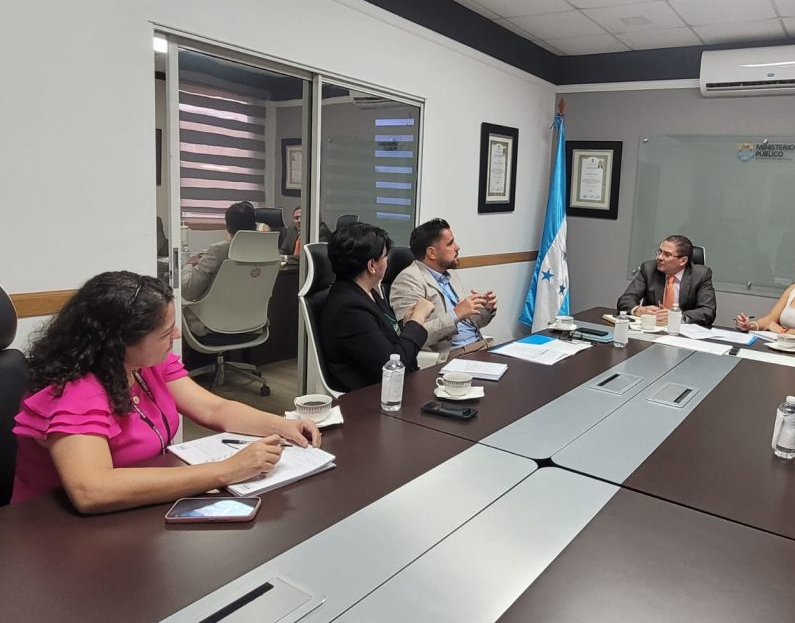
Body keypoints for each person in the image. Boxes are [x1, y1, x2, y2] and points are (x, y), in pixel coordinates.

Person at [11, 272, 320, 513]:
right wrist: (227, 470)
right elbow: (92, 490)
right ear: (119, 343)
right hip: (54, 533)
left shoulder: (145, 364)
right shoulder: (73, 391)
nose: (177, 334)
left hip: (134, 508)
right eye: (165, 332)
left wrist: (281, 425)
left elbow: (214, 409)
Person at [320, 222, 434, 392]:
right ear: (371, 265)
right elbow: (393, 367)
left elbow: (384, 340)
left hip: (392, 388)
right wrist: (417, 320)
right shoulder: (349, 308)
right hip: (370, 397)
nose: (388, 261)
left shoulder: (367, 292)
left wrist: (406, 323)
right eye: (385, 256)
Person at [389, 218, 497, 362]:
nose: (457, 247)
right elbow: (412, 336)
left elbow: (467, 324)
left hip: (480, 346)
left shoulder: (450, 274)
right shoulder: (408, 280)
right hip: (451, 356)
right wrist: (456, 314)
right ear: (431, 253)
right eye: (450, 243)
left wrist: (485, 309)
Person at [180, 200, 257, 335]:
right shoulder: (266, 250)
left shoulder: (217, 251)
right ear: (254, 225)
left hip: (212, 325)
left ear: (228, 227)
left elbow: (188, 291)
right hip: (253, 322)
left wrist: (188, 265)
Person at [617, 235, 717, 327]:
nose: (659, 257)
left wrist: (677, 317)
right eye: (660, 252)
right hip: (652, 329)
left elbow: (708, 311)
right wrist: (637, 310)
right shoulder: (649, 269)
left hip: (683, 332)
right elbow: (625, 300)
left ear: (683, 261)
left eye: (667, 254)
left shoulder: (701, 275)